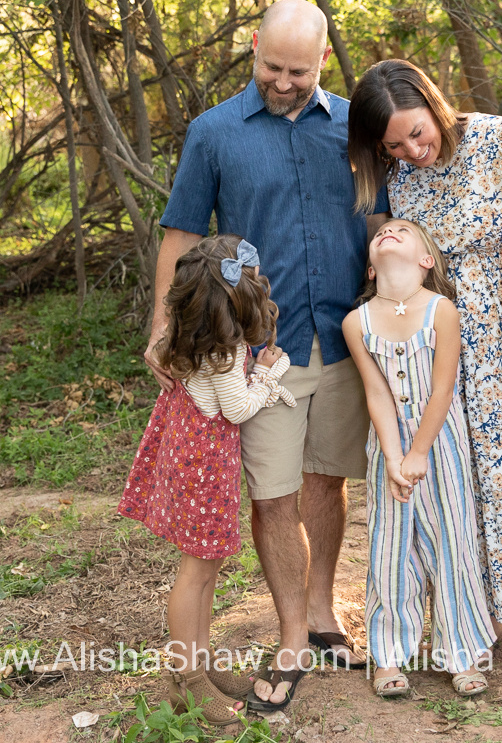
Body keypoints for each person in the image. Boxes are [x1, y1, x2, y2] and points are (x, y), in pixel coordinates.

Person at [145, 0, 387, 712]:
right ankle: (289, 635)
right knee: (275, 494)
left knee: (327, 483)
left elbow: (381, 216)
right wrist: (163, 324)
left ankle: (320, 614)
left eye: (300, 72)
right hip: (257, 353)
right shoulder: (214, 132)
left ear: (323, 63)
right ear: (254, 49)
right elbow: (181, 233)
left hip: (345, 336)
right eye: (272, 68)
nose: (284, 83)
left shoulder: (354, 126)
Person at [348, 60, 502, 671]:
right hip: (435, 345)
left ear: (434, 103)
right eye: (394, 144)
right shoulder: (401, 179)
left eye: (418, 133)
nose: (412, 151)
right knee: (458, 478)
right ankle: (475, 615)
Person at [120, 235, 294, 728]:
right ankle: (186, 680)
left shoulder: (193, 333)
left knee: (207, 568)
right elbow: (235, 408)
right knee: (196, 573)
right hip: (204, 471)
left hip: (195, 463)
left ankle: (201, 663)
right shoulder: (223, 350)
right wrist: (266, 374)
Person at [342, 219, 495, 697]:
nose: (390, 231)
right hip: (387, 449)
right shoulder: (357, 323)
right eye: (383, 231)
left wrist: (421, 451)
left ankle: (462, 651)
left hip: (440, 445)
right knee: (390, 549)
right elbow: (376, 393)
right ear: (370, 267)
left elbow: (444, 388)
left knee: (453, 543)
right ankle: (389, 656)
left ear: (427, 261)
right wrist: (393, 457)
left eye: (403, 230)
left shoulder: (441, 311)